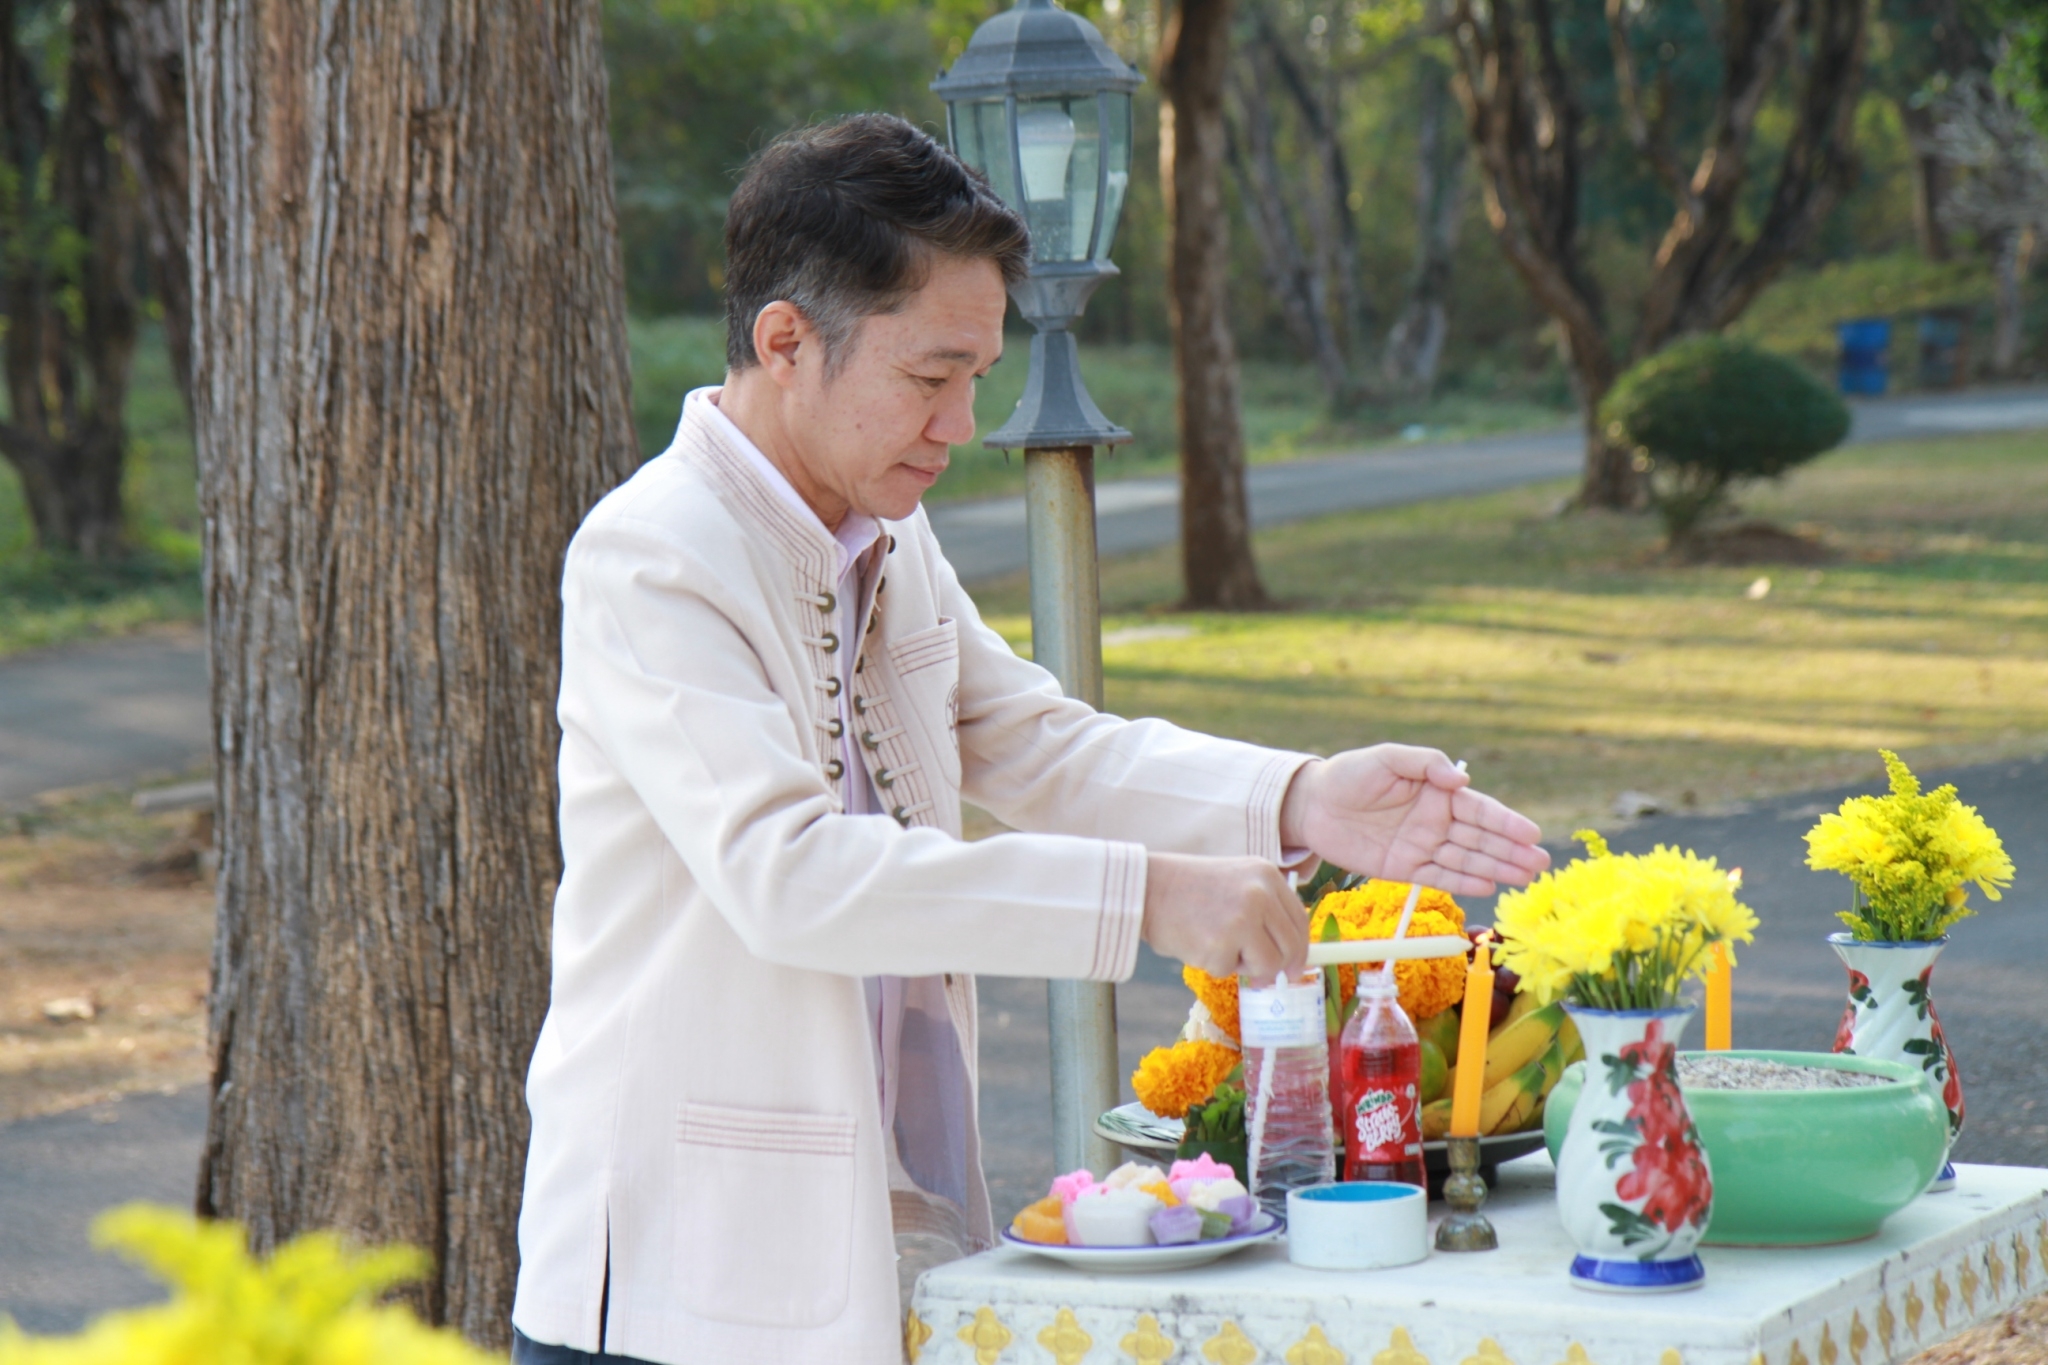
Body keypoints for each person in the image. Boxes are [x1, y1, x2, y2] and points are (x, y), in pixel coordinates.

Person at [508, 113, 1549, 1365]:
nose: (961, 423)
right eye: (929, 377)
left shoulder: (886, 533)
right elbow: (789, 878)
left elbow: (1039, 745)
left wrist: (1301, 798)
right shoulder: (655, 554)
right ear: (784, 342)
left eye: (977, 379)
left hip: (883, 1222)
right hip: (675, 1274)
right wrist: (1148, 897)